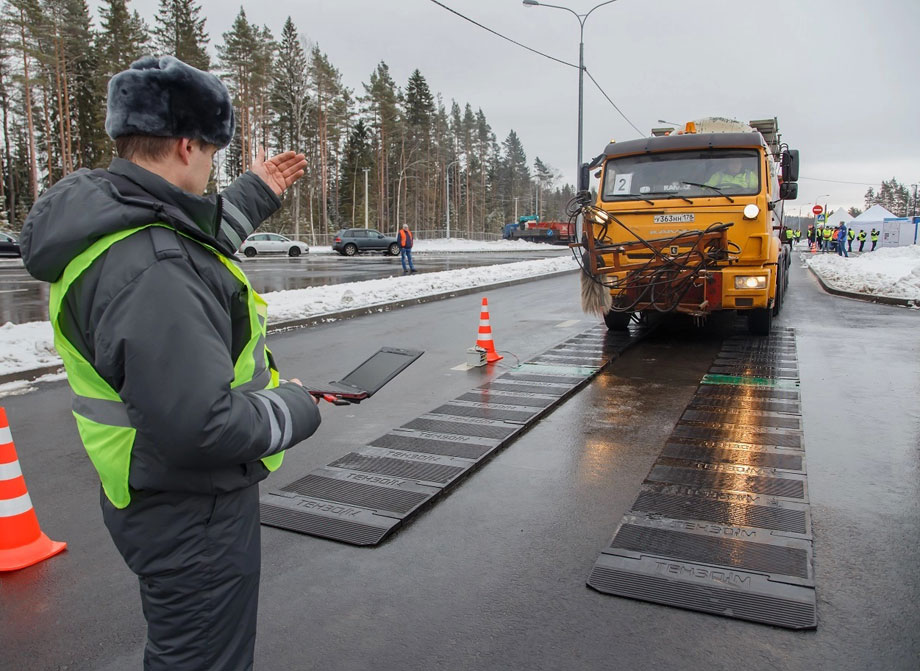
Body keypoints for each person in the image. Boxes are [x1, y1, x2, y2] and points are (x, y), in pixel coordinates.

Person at [20, 56, 322, 671]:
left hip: (159, 493)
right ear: (187, 145)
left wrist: (254, 191)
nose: (212, 168)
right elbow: (201, 425)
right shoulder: (152, 269)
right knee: (202, 660)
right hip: (192, 507)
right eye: (211, 153)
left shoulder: (117, 221)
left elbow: (190, 239)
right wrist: (296, 406)